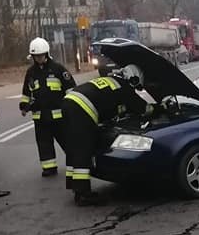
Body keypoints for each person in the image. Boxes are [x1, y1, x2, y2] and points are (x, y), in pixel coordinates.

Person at [62, 55, 166, 205]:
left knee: (75, 147)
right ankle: (84, 195)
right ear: (133, 79)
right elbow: (144, 109)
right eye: (136, 85)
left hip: (69, 102)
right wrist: (160, 107)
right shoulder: (124, 88)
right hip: (82, 109)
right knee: (84, 149)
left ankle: (74, 185)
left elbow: (109, 106)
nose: (136, 89)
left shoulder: (112, 82)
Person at [20, 37, 75, 177]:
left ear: (46, 54)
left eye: (40, 55)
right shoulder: (31, 72)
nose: (38, 58)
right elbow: (26, 92)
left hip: (59, 116)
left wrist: (72, 107)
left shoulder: (58, 69)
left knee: (68, 141)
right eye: (35, 56)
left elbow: (71, 89)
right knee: (44, 144)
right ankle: (49, 167)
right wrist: (24, 106)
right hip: (40, 117)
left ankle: (76, 163)